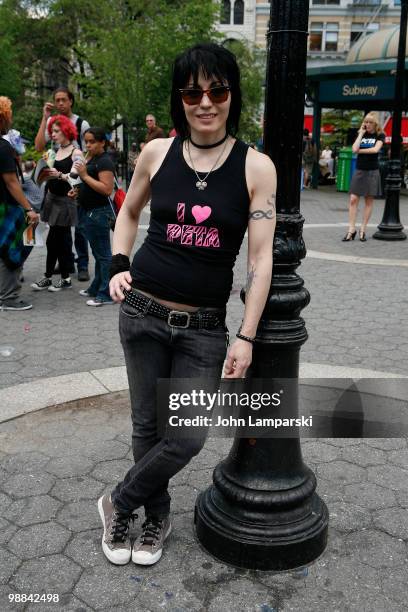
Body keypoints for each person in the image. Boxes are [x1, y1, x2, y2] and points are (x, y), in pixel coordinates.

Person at [97, 43, 276, 567]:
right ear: (180, 99)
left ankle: (117, 501)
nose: (205, 102)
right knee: (146, 429)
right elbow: (127, 213)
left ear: (231, 96)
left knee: (188, 436)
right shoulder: (157, 152)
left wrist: (246, 335)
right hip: (142, 311)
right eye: (193, 92)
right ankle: (155, 515)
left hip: (203, 328)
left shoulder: (256, 166)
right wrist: (117, 263)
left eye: (216, 90)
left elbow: (260, 261)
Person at [34, 87, 90, 281]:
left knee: (80, 228)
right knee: (60, 231)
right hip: (55, 190)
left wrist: (78, 175)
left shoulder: (81, 123)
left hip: (74, 184)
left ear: (71, 101)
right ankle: (66, 265)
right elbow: (39, 146)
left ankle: (82, 265)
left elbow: (88, 149)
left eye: (63, 99)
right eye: (57, 100)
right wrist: (45, 118)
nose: (60, 103)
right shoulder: (51, 122)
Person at [31, 115, 82, 292]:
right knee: (56, 241)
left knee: (56, 240)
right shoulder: (53, 152)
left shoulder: (76, 152)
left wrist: (59, 174)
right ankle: (56, 277)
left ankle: (59, 277)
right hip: (51, 199)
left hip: (64, 201)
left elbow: (76, 178)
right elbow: (42, 175)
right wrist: (41, 173)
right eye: (52, 131)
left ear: (67, 131)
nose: (52, 134)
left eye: (56, 131)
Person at [0, 96, 40, 311]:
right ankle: (9, 298)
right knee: (11, 251)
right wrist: (28, 208)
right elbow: (11, 182)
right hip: (6, 207)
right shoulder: (3, 147)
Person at [73, 127, 116, 306]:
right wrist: (77, 191)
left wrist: (83, 175)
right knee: (98, 253)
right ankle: (96, 286)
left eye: (92, 142)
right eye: (86, 141)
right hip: (91, 211)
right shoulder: (94, 158)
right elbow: (90, 185)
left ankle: (106, 294)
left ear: (102, 143)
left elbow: (106, 189)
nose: (88, 145)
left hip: (99, 212)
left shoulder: (105, 161)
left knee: (104, 255)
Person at [343, 112, 385, 242]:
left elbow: (375, 150)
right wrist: (360, 133)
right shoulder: (361, 134)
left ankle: (363, 229)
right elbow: (354, 148)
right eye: (365, 121)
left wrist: (359, 151)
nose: (367, 124)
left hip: (372, 171)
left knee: (368, 201)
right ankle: (351, 229)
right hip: (360, 170)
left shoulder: (380, 135)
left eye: (369, 122)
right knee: (353, 199)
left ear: (375, 123)